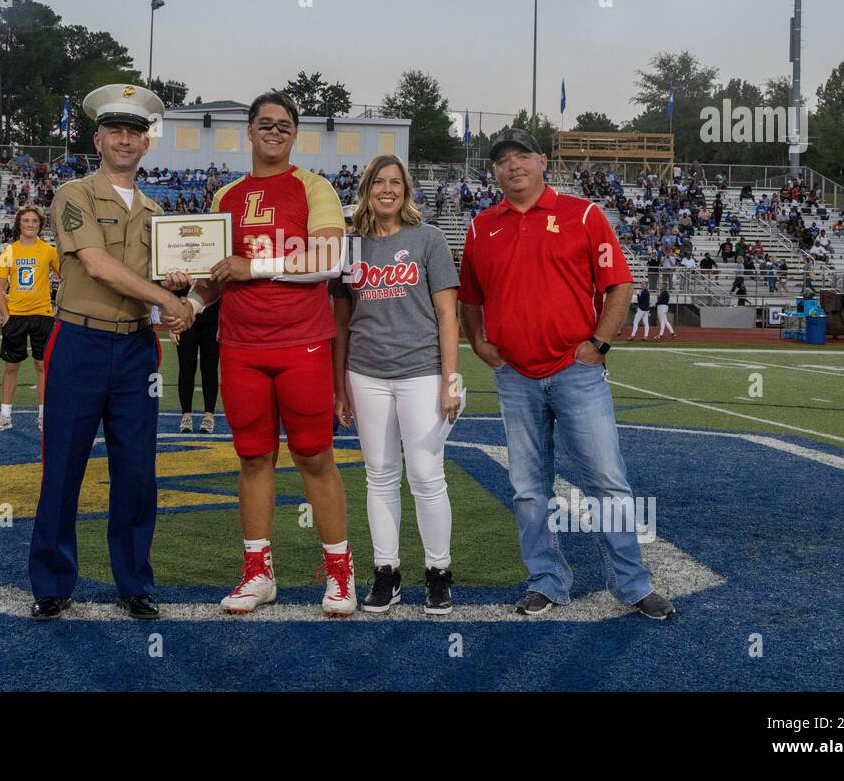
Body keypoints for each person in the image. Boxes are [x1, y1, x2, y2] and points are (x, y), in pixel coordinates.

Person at [458, 127, 674, 621]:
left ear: (541, 161)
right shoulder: (480, 227)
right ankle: (547, 581)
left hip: (576, 372)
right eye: (501, 160)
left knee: (607, 479)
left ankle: (632, 584)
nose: (512, 166)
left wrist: (598, 343)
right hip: (515, 374)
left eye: (521, 156)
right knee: (529, 486)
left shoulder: (584, 214)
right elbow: (470, 297)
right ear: (493, 171)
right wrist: (479, 341)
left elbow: (618, 284)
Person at [179, 90, 355, 617]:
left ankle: (340, 574)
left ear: (293, 133)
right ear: (250, 132)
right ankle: (258, 573)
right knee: (253, 458)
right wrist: (188, 301)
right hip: (239, 344)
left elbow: (327, 258)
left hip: (301, 341)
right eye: (265, 124)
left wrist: (253, 267)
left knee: (314, 458)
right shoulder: (225, 195)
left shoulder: (313, 185)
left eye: (284, 125)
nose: (274, 131)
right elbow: (215, 275)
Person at [29, 83, 193, 622]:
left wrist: (176, 287)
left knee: (137, 472)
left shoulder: (157, 211)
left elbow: (153, 282)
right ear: (97, 139)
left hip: (135, 350)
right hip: (79, 340)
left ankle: (134, 582)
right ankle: (52, 581)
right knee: (63, 468)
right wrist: (167, 297)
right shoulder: (73, 194)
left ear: (147, 144)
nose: (125, 140)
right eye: (115, 131)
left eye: (135, 133)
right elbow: (97, 265)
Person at [330, 155, 462, 615]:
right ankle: (386, 572)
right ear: (366, 188)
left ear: (406, 189)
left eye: (396, 182)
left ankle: (438, 572)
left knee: (426, 476)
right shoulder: (350, 246)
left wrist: (451, 378)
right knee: (380, 476)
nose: (388, 189)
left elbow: (448, 313)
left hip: (422, 371)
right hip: (365, 372)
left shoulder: (428, 238)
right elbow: (342, 321)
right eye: (379, 182)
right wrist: (339, 385)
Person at [0, 206, 60, 433]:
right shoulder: (9, 251)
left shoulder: (49, 251)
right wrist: (5, 316)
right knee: (11, 367)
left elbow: (67, 278)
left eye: (35, 221)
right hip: (16, 316)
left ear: (40, 225)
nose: (30, 224)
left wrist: (58, 307)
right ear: (19, 224)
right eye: (26, 221)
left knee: (43, 366)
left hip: (42, 315)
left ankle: (43, 415)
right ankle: (5, 415)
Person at [173, 294, 220, 434]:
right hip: (186, 320)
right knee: (186, 368)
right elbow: (176, 291)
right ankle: (186, 415)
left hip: (213, 320)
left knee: (210, 369)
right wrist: (173, 323)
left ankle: (209, 416)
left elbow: (220, 289)